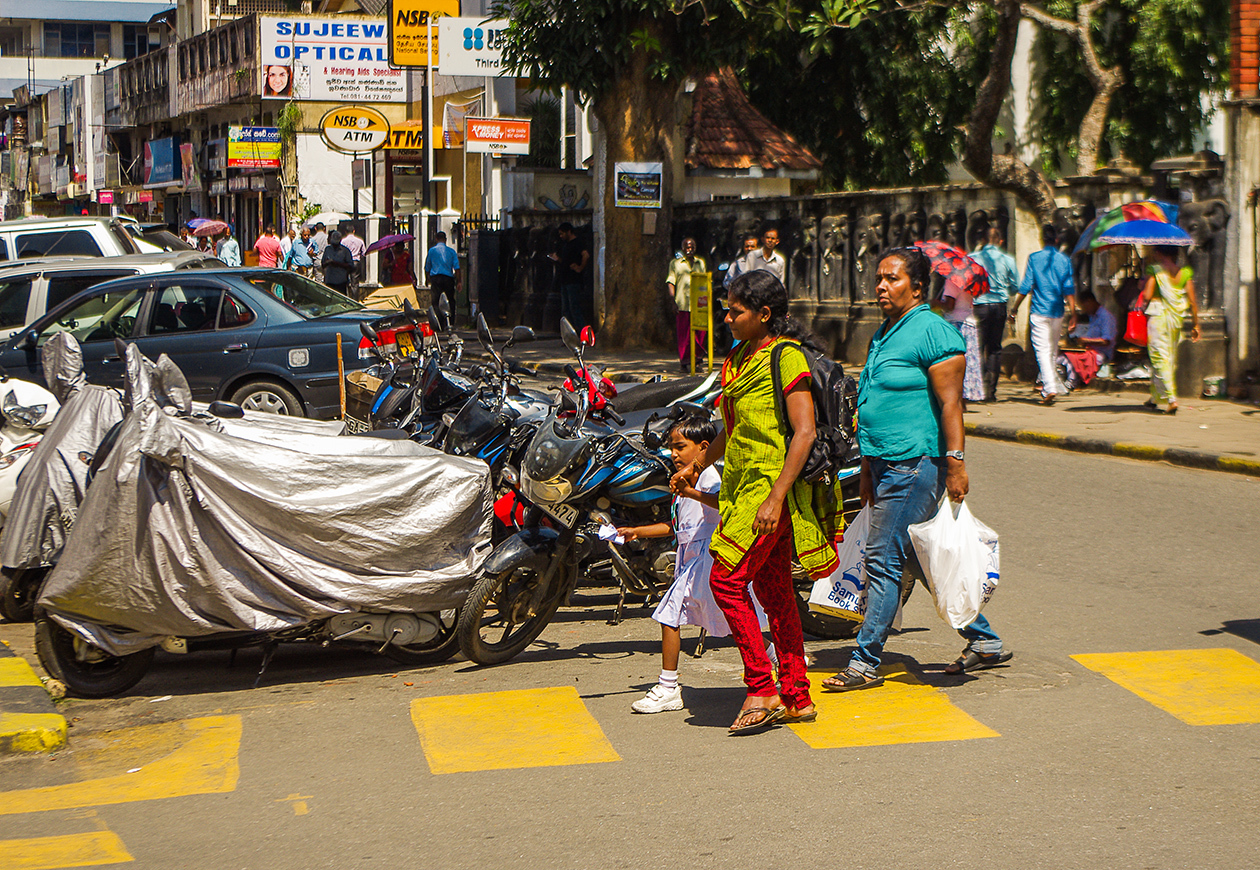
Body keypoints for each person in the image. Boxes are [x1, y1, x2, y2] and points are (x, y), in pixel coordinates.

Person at [822, 247, 1010, 693]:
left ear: (918, 287)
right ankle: (984, 641)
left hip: (915, 463)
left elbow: (951, 405)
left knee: (881, 558)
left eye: (892, 279)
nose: (881, 286)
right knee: (916, 559)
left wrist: (956, 466)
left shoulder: (933, 332)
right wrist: (867, 467)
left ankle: (865, 661)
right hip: (884, 462)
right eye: (879, 279)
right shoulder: (885, 333)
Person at [671, 270, 841, 734]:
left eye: (736, 311)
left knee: (726, 580)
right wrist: (696, 463)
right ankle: (797, 694)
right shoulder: (740, 357)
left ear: (764, 315)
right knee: (775, 592)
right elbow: (733, 428)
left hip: (771, 491)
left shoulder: (786, 357)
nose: (726, 317)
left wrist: (776, 498)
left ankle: (761, 685)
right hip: (743, 488)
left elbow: (803, 431)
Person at [619, 415, 771, 714]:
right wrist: (638, 531)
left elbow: (723, 503)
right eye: (671, 448)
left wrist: (689, 491)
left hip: (707, 558)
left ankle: (667, 686)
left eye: (680, 447)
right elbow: (677, 526)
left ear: (704, 448)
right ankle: (777, 655)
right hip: (693, 558)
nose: (674, 454)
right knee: (732, 623)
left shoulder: (709, 477)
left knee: (669, 614)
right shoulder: (687, 481)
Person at [1007, 225, 1077, 405]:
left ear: (1041, 240)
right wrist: (1074, 312)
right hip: (1057, 312)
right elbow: (1069, 288)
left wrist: (1015, 308)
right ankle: (1048, 385)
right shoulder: (1064, 260)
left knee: (1043, 351)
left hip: (1039, 311)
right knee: (1052, 350)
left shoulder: (1035, 258)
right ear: (1056, 240)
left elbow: (1025, 286)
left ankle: (1050, 387)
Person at [1140, 245, 1201, 414]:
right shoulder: (1185, 273)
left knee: (1159, 357)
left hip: (1158, 318)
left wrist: (1143, 283)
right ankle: (1155, 398)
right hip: (1175, 320)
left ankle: (1172, 399)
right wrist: (1196, 324)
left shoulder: (1155, 270)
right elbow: (1193, 301)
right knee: (1169, 357)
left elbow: (1147, 295)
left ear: (1159, 253)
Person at [969, 227, 1019, 401]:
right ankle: (991, 391)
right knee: (995, 348)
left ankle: (978, 388)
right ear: (1000, 241)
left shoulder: (973, 259)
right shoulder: (1007, 259)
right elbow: (1015, 287)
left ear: (983, 240)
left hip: (979, 306)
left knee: (978, 347)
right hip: (999, 305)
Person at [938, 273, 984, 404]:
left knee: (954, 361)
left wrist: (935, 303)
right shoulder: (970, 279)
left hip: (956, 324)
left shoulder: (952, 281)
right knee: (968, 360)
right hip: (969, 322)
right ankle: (964, 395)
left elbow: (949, 305)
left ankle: (958, 395)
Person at [1057, 290, 1117, 389]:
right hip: (1089, 350)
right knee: (1061, 358)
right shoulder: (1092, 317)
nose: (1084, 310)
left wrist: (1086, 340)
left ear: (1090, 302)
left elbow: (1107, 341)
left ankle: (1072, 382)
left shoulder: (1105, 317)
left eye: (1084, 306)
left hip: (1101, 354)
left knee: (1072, 359)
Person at [667, 237, 708, 371]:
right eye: (687, 247)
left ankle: (696, 360)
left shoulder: (700, 263)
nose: (689, 249)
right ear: (683, 248)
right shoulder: (675, 263)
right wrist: (673, 301)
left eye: (692, 247)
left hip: (699, 304)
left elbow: (704, 281)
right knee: (684, 335)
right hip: (683, 304)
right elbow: (671, 282)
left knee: (699, 334)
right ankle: (684, 362)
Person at [549, 222, 589, 329]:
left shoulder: (578, 243)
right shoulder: (565, 244)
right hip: (565, 279)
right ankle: (570, 333)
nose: (561, 236)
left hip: (573, 280)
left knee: (574, 308)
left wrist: (580, 267)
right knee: (566, 309)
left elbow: (585, 255)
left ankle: (581, 333)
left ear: (569, 232)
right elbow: (566, 261)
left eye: (562, 234)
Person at [425, 231, 459, 298]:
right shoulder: (451, 252)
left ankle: (436, 308)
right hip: (448, 279)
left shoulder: (432, 251)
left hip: (436, 279)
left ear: (436, 239)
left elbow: (427, 267)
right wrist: (459, 281)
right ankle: (451, 308)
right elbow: (457, 268)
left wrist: (427, 278)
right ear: (445, 240)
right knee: (450, 300)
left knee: (435, 301)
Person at [321, 230, 354, 296]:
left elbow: (350, 266)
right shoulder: (327, 249)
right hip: (330, 280)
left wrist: (337, 264)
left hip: (341, 281)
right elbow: (323, 264)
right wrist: (328, 263)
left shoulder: (345, 251)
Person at [340, 224, 366, 298]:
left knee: (346, 282)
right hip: (356, 262)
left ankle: (347, 298)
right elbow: (364, 253)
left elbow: (341, 252)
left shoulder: (343, 241)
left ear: (345, 232)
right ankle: (355, 299)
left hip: (347, 263)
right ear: (354, 231)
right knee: (355, 283)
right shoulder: (360, 241)